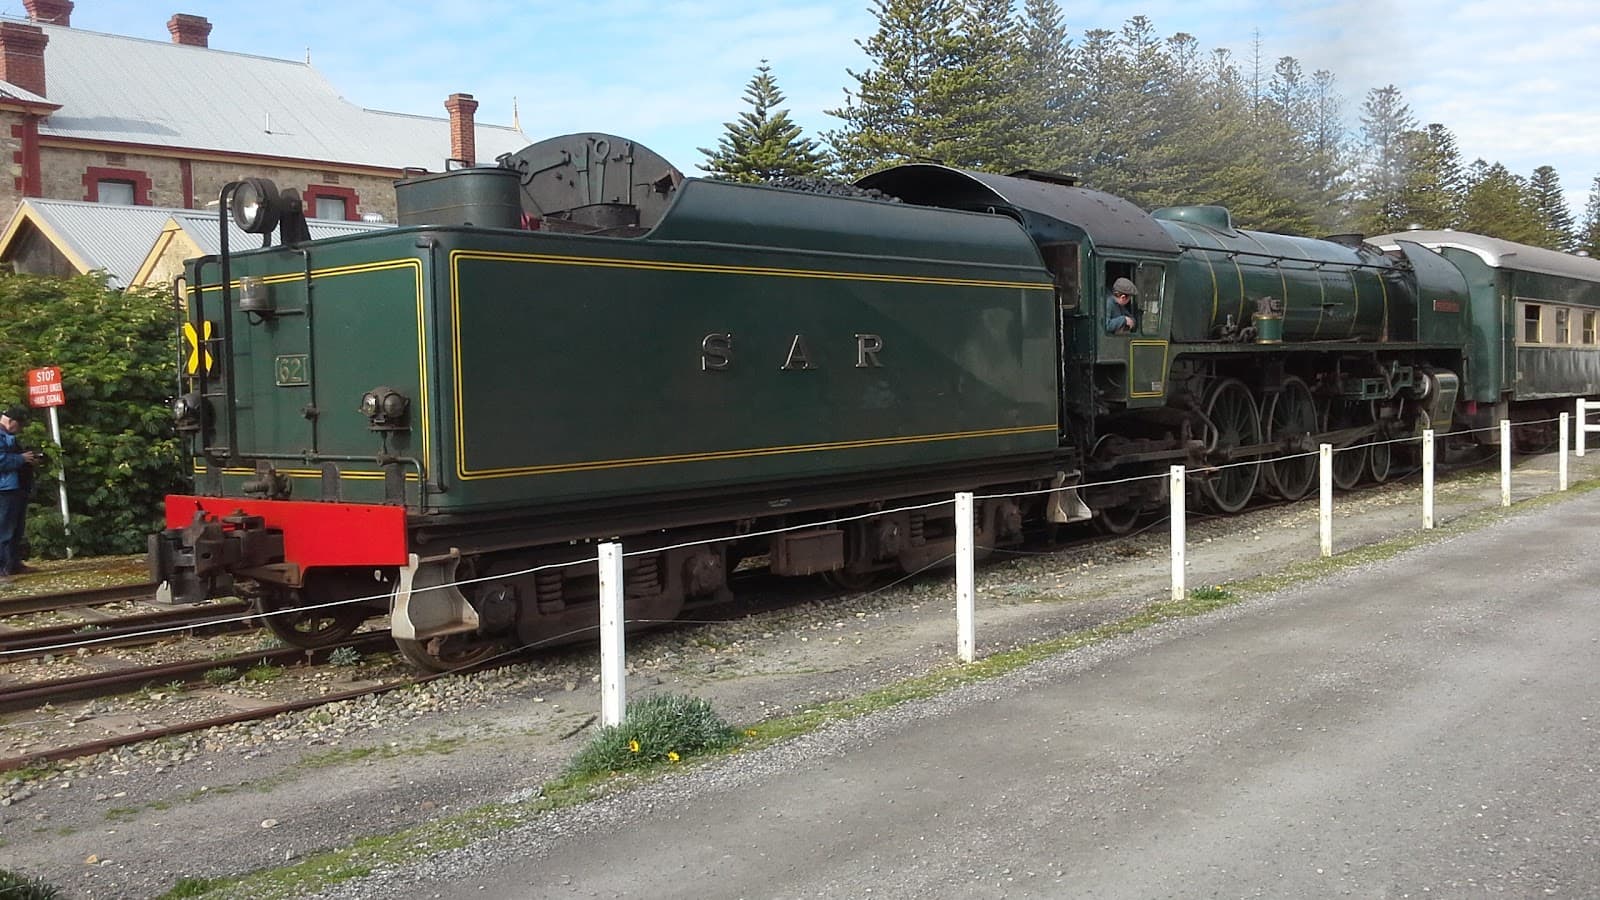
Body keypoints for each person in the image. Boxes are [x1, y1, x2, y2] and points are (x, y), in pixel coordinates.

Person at [0, 406, 40, 582]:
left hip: (15, 488)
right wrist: (21, 459)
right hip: (4, 489)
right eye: (20, 425)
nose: (20, 430)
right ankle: (3, 566)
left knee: (15, 529)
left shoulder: (7, 436)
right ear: (11, 421)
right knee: (5, 529)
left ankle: (13, 563)